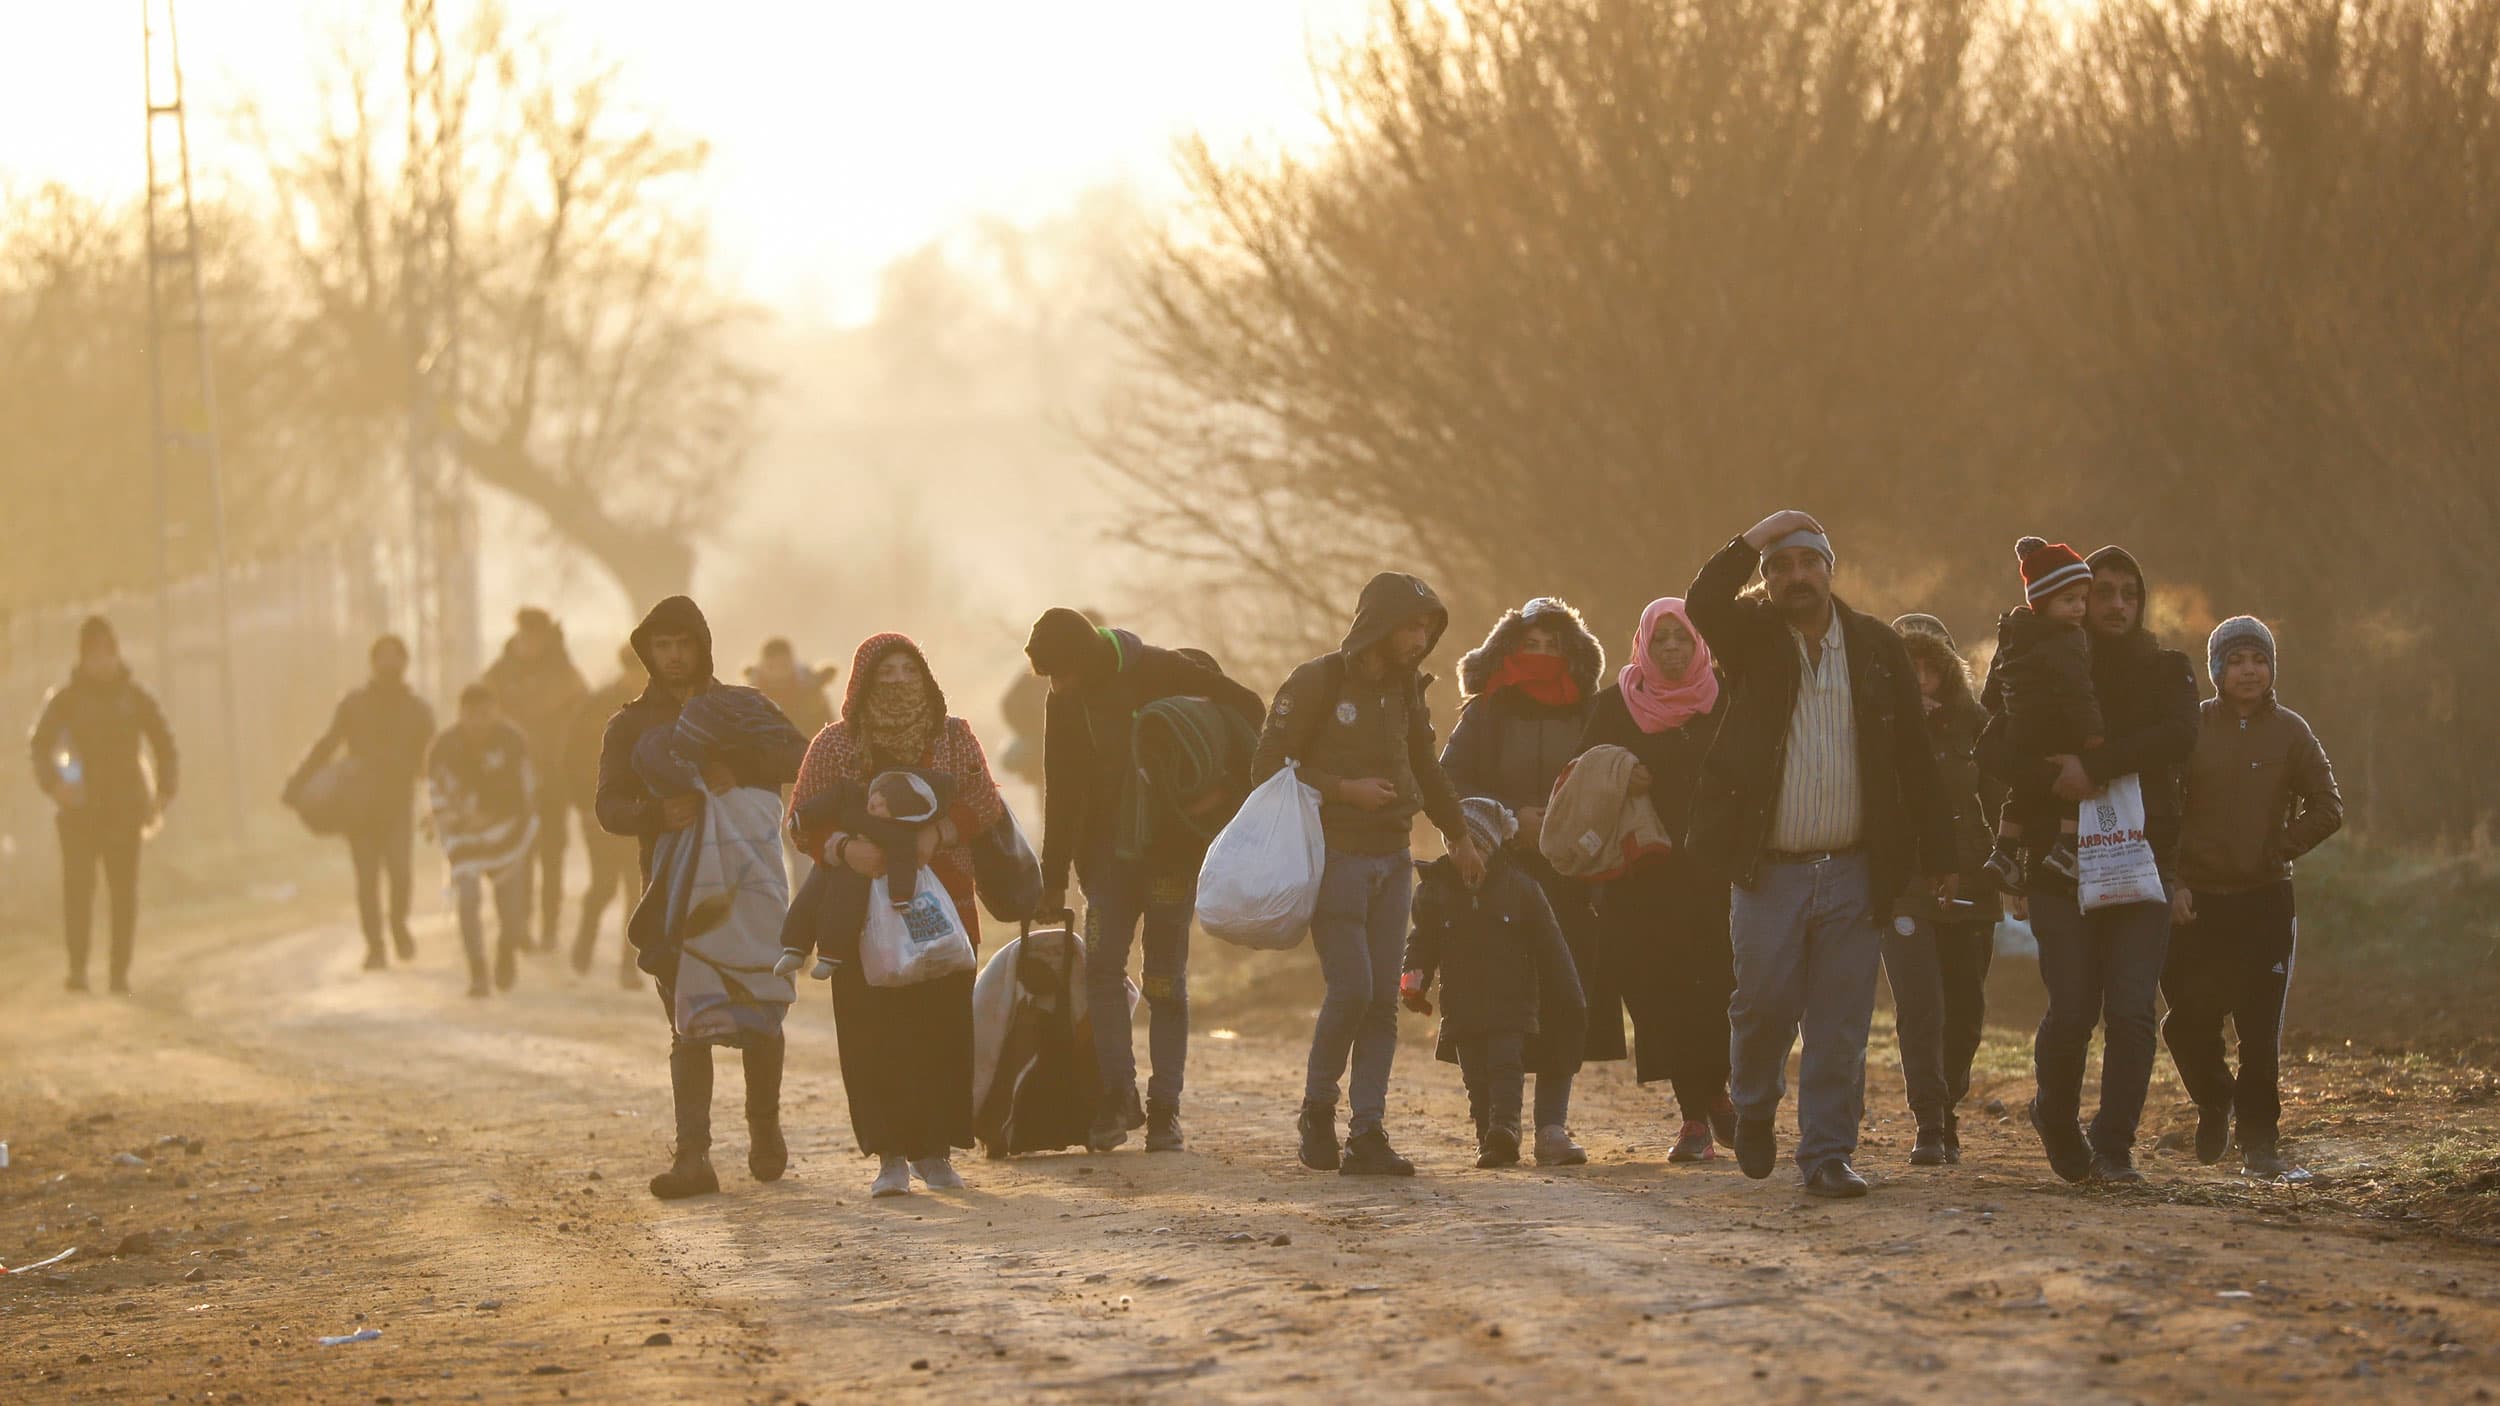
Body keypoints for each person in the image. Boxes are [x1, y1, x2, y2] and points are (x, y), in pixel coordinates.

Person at [1685, 511, 1956, 1199]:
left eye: (1807, 562)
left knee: (1839, 1022)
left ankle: (1827, 1154)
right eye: (1780, 568)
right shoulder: (1749, 640)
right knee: (1763, 1005)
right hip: (1766, 868)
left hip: (1854, 868)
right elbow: (1702, 602)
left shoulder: (1874, 647)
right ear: (1766, 582)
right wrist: (1755, 535)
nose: (1795, 577)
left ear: (1831, 570)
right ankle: (1751, 1105)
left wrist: (1938, 849)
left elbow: (1916, 760)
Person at [1251, 572, 1486, 1177]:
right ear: (1380, 624)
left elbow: (1426, 769)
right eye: (1411, 625)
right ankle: (1317, 1109)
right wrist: (1342, 790)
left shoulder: (1409, 689)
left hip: (1392, 861)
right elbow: (1267, 768)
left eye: (1428, 628)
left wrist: (1458, 836)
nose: (1420, 638)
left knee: (1383, 1000)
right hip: (1333, 860)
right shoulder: (1317, 681)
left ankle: (1368, 1132)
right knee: (1352, 988)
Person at [1981, 545, 2199, 1186]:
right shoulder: (2037, 657)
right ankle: (2054, 1113)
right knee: (2073, 1007)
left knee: (2131, 1011)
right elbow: (1991, 746)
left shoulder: (2167, 669)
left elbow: (2181, 736)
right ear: (2074, 596)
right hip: (2059, 862)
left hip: (2144, 860)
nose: (2116, 605)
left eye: (2129, 593)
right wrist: (2049, 778)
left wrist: (2095, 766)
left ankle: (2114, 1146)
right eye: (2102, 592)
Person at [1027, 607, 1266, 1154]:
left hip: (1171, 857)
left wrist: (1223, 792)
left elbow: (1248, 709)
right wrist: (1053, 877)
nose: (1057, 687)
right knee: (1104, 973)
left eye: (1061, 674)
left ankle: (1166, 1109)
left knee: (1164, 981)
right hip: (1105, 860)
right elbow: (1059, 788)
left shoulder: (1160, 669)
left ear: (1084, 658)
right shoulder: (1064, 699)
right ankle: (1118, 1099)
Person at [595, 597, 806, 1201]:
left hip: (753, 886)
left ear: (702, 645)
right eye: (661, 646)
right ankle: (694, 1157)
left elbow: (798, 755)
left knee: (760, 1005)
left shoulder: (740, 708)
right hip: (676, 892)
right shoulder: (631, 726)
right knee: (688, 1024)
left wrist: (732, 765)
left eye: (683, 643)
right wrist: (657, 813)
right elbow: (608, 807)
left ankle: (763, 1129)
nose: (674, 657)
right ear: (647, 652)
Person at [788, 633, 1011, 1199]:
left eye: (907, 670)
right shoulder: (835, 745)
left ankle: (935, 1153)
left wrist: (940, 833)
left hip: (943, 904)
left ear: (926, 677)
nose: (896, 681)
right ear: (862, 683)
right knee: (872, 1034)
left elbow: (985, 802)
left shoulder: (953, 736)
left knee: (941, 1030)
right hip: (856, 915)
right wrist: (843, 850)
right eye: (884, 672)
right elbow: (801, 822)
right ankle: (889, 1156)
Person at [2165, 616, 2343, 1182]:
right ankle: (2216, 1099)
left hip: (2265, 900)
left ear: (2271, 670)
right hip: (2195, 903)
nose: (2249, 670)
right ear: (2216, 669)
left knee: (2259, 1029)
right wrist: (2172, 881)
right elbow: (2161, 811)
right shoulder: (2189, 727)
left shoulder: (2291, 732)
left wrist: (2278, 849)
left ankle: (2260, 1142)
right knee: (2187, 1024)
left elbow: (2328, 805)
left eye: (2259, 660)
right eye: (2237, 660)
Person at [1439, 597, 1607, 1166]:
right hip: (1496, 877)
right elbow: (1448, 780)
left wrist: (1565, 825)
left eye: (1552, 647)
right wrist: (1510, 820)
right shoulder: (1486, 710)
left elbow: (1606, 774)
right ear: (1508, 649)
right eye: (1529, 646)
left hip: (1572, 876)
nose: (1540, 657)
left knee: (1566, 992)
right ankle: (1495, 1123)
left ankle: (1552, 1127)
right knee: (1494, 998)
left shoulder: (1589, 710)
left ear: (1573, 653)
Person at [1577, 597, 1734, 1164]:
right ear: (1642, 642)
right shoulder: (1615, 706)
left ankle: (1711, 1096)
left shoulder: (1724, 701)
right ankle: (1696, 1110)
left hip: (1714, 873)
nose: (1671, 649)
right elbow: (1578, 775)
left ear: (1699, 645)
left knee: (1717, 988)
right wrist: (1621, 773)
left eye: (1682, 639)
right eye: (1660, 638)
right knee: (1652, 993)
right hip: (1638, 878)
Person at [1401, 797, 1585, 1169]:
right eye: (1453, 846)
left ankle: (1506, 1129)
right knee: (1476, 1079)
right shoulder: (1435, 892)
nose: (1460, 855)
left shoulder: (1521, 888)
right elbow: (1421, 943)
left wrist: (1570, 994)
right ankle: (1487, 1133)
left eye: (1473, 847)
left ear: (1492, 847)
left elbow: (1551, 944)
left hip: (1510, 1004)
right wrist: (1412, 980)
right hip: (1462, 1007)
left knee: (1505, 1069)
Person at [1882, 614, 2000, 1167]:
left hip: (1973, 877)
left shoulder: (1979, 727)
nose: (1920, 679)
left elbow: (2004, 801)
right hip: (1904, 884)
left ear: (1949, 671)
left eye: (1929, 668)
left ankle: (1949, 1099)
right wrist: (1898, 726)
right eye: (1908, 669)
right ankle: (1930, 1119)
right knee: (1920, 1003)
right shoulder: (1872, 725)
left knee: (1966, 1004)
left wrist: (2013, 870)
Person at [27, 616, 178, 994]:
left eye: (105, 654)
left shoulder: (134, 699)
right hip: (78, 809)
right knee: (78, 890)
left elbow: (164, 744)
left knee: (123, 893)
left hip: (126, 809)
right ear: (82, 658)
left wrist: (163, 793)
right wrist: (54, 785)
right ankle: (78, 969)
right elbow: (39, 746)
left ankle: (118, 974)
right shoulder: (65, 702)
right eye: (92, 655)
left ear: (115, 653)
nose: (100, 662)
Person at [287, 634, 437, 970]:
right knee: (367, 880)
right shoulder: (353, 704)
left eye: (394, 657)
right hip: (358, 806)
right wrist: (297, 783)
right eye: (382, 657)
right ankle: (375, 947)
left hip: (398, 803)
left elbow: (435, 761)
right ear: (372, 663)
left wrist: (439, 802)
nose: (388, 663)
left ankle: (398, 926)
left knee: (400, 873)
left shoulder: (418, 711)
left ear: (404, 662)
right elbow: (327, 744)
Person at [1980, 539, 2104, 889]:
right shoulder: (2067, 639)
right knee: (2073, 784)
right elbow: (2079, 690)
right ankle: (2067, 850)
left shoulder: (2015, 633)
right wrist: (2093, 732)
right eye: (2069, 600)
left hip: (2020, 730)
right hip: (2056, 728)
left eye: (2083, 599)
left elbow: (1993, 688)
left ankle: (2004, 852)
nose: (2079, 608)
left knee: (2021, 792)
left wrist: (1999, 711)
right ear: (2043, 602)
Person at [778, 769, 954, 980]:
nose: (877, 806)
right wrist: (803, 816)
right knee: (807, 899)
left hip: (857, 875)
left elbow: (902, 860)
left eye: (886, 809)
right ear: (881, 788)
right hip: (830, 862)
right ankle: (794, 947)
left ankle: (829, 957)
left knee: (841, 910)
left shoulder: (894, 832)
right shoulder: (854, 792)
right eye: (882, 798)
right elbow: (828, 800)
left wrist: (900, 895)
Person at [484, 607, 590, 952]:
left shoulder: (566, 674)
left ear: (546, 637)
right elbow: (481, 721)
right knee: (519, 854)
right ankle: (521, 925)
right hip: (512, 780)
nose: (528, 643)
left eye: (535, 636)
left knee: (553, 855)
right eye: (524, 635)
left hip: (555, 778)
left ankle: (549, 926)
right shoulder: (498, 675)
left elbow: (586, 723)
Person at [426, 683, 539, 998]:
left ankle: (506, 952)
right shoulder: (443, 747)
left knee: (512, 909)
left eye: (486, 714)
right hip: (464, 837)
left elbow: (526, 791)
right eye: (472, 715)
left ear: (497, 713)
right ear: (461, 714)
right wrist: (458, 818)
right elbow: (436, 791)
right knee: (468, 900)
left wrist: (492, 815)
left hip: (507, 832)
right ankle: (478, 972)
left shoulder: (513, 741)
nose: (479, 722)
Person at [567, 644, 647, 986]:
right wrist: (585, 804)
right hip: (602, 810)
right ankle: (586, 936)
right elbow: (574, 756)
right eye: (637, 669)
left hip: (645, 813)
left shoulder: (668, 706)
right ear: (625, 668)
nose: (641, 677)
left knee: (639, 888)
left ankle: (628, 965)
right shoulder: (598, 705)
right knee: (604, 884)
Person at [745, 638, 837, 741]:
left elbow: (827, 728)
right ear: (763, 668)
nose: (778, 674)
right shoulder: (749, 698)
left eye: (783, 666)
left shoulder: (811, 692)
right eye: (772, 667)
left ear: (792, 665)